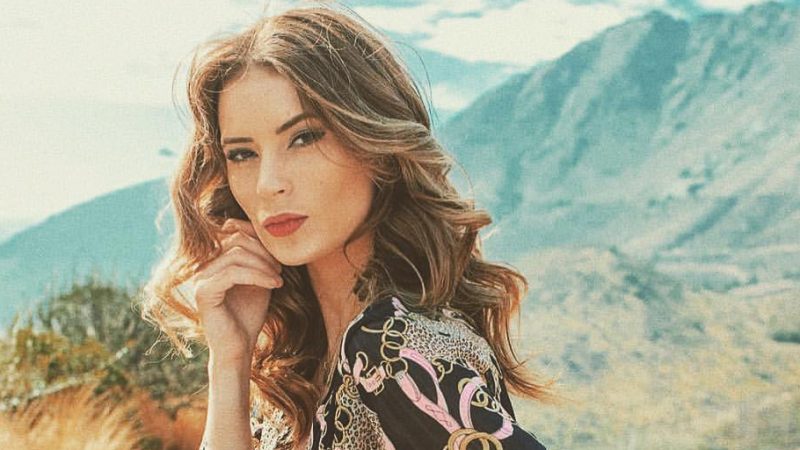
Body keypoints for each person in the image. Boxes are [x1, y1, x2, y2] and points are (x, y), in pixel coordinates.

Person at [141, 2, 562, 449]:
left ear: (375, 146)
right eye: (243, 154)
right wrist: (230, 361)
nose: (268, 184)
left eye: (304, 138)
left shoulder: (396, 353)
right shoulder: (299, 372)